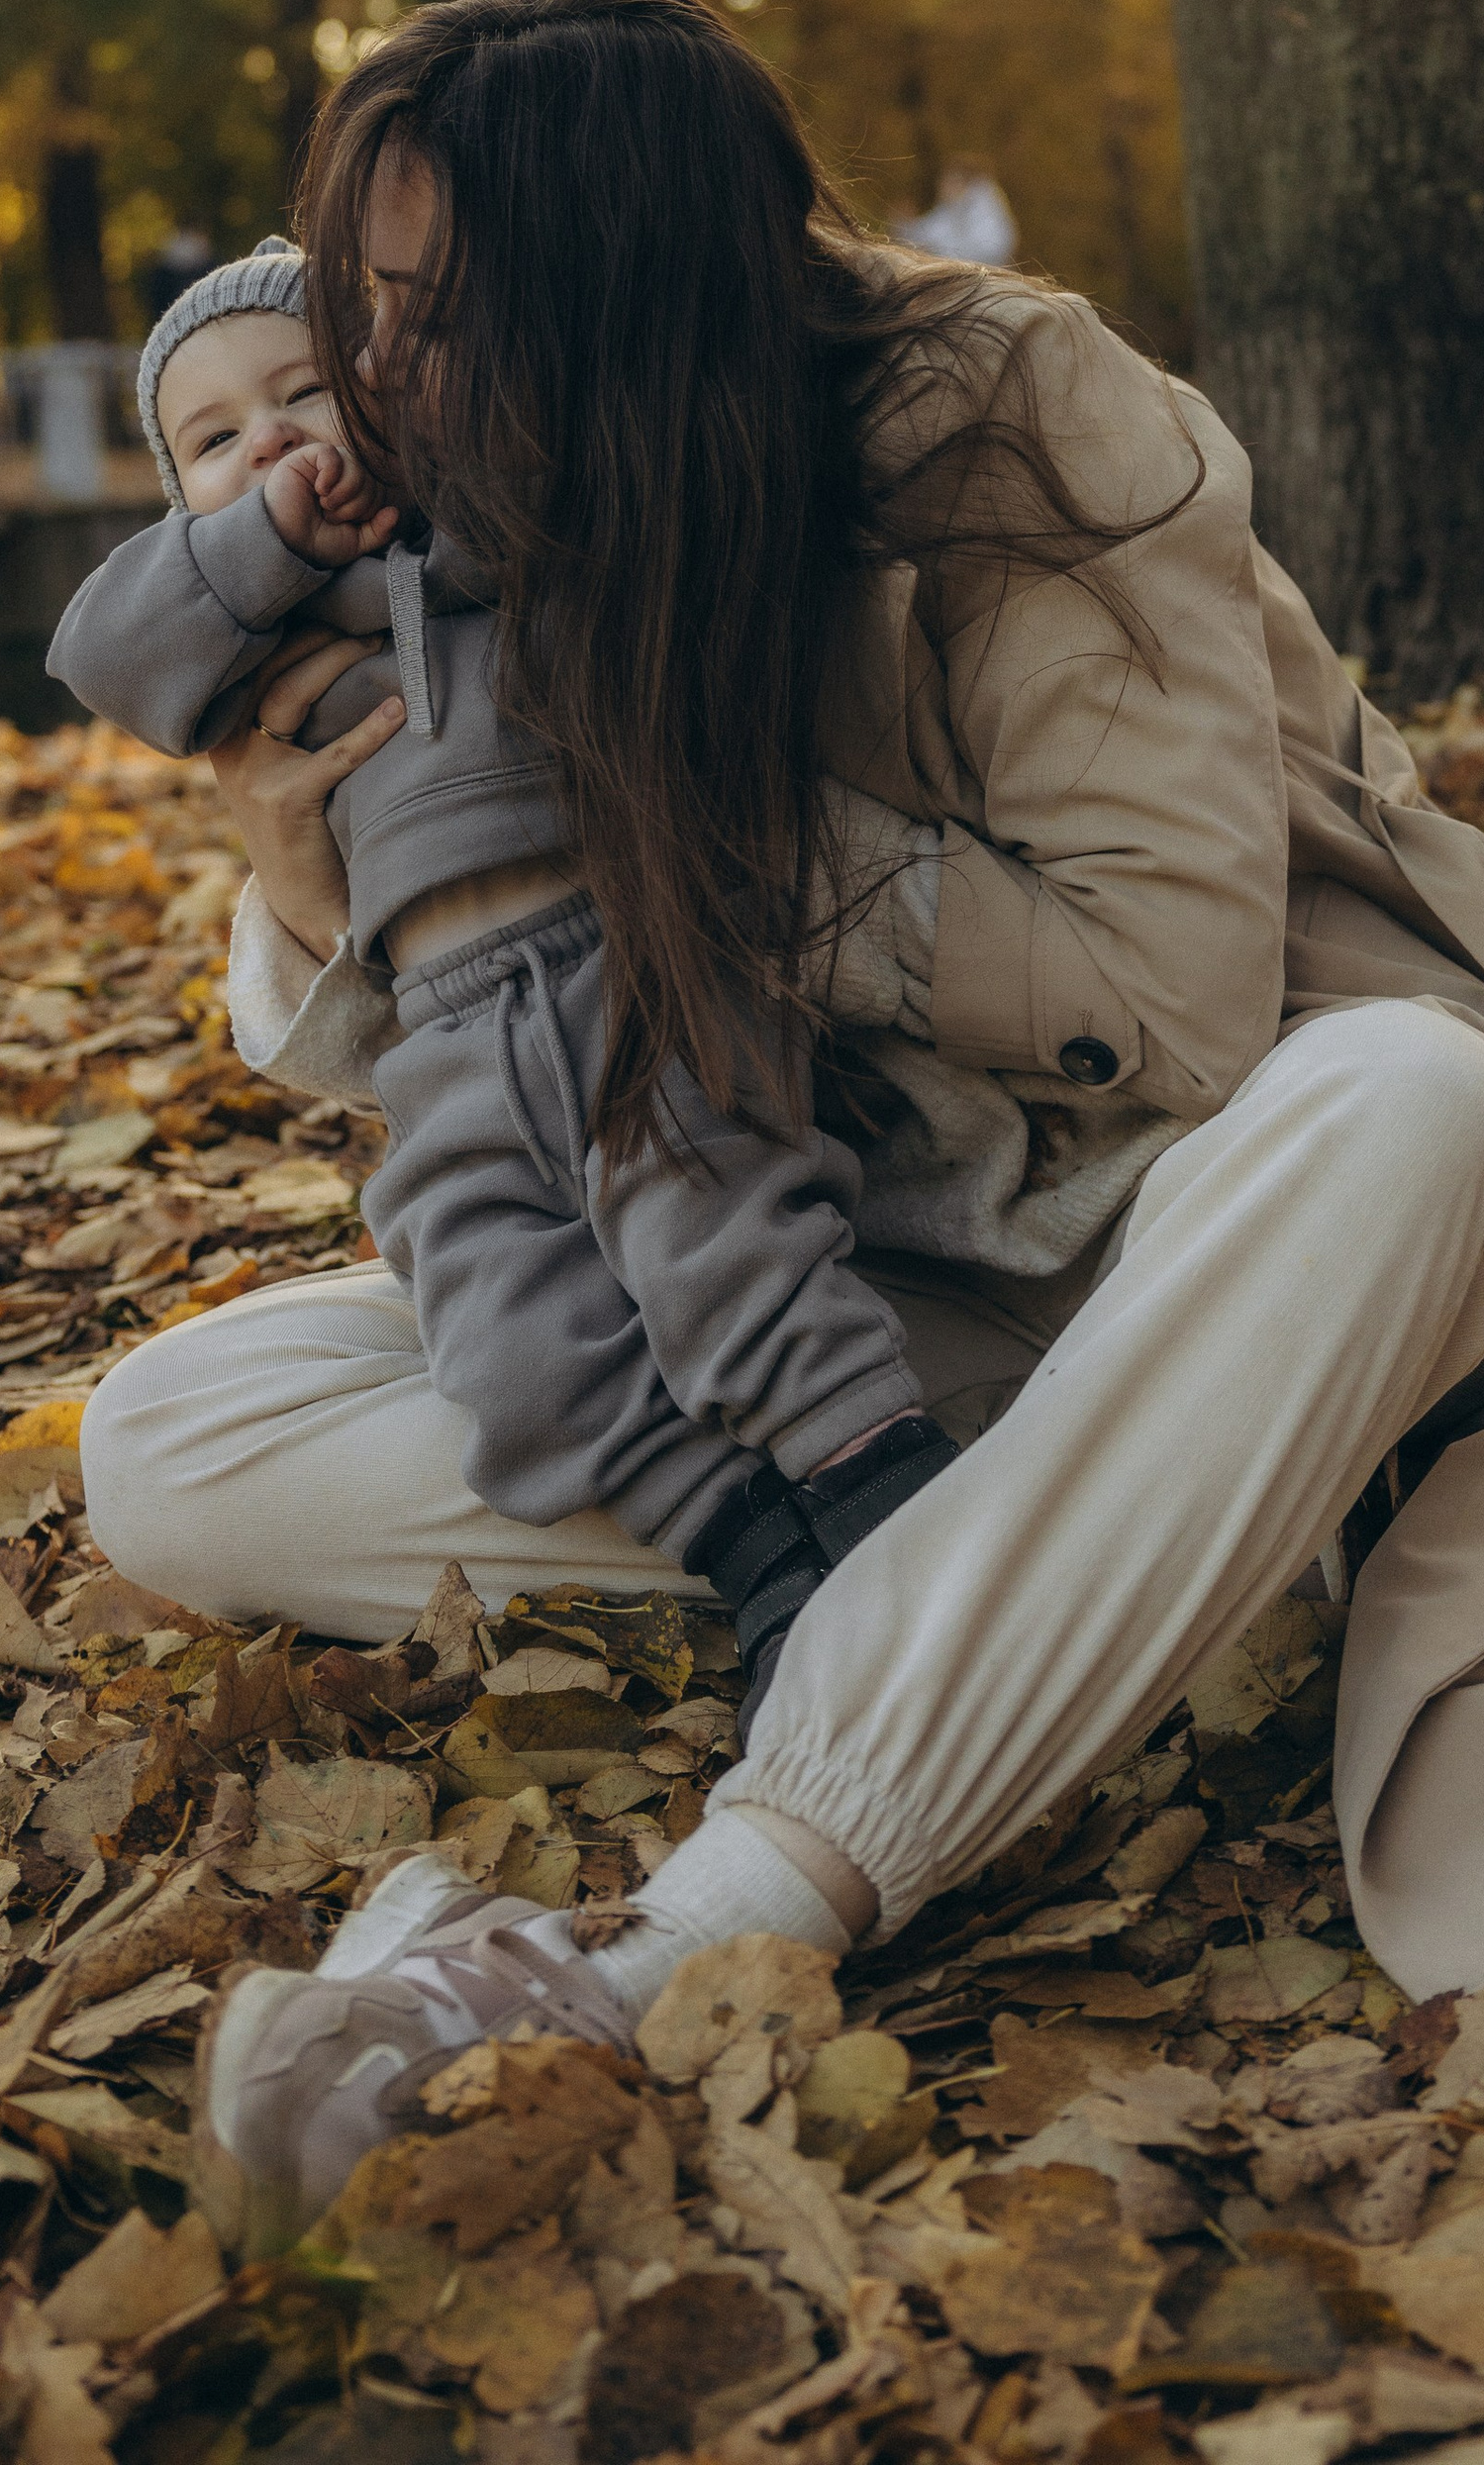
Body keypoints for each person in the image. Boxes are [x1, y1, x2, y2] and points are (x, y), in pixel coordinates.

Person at [75, 0, 1484, 2259]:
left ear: (603, 291)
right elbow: (484, 1031)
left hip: (1242, 1216)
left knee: (1419, 1103)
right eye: (364, 308)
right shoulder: (501, 497)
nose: (369, 379)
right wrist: (311, 889)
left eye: (425, 312)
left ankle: (682, 1934)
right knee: (179, 1429)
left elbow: (1164, 999)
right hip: (912, 1295)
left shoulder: (1013, 412)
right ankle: (1109, 1573)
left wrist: (691, 838)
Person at [48, 240, 959, 1728]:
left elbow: (565, 524)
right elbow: (102, 648)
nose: (270, 440)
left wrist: (420, 489)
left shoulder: (467, 546)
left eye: (304, 397)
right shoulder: (240, 639)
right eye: (215, 440)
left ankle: (883, 1487)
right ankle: (749, 1551)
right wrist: (263, 536)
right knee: (503, 1330)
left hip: (623, 965)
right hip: (448, 1041)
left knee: (718, 1237)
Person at [894, 157, 1019, 267]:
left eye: (949, 181)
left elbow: (993, 248)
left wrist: (940, 252)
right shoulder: (948, 209)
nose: (942, 187)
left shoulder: (985, 208)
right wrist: (904, 224)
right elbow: (926, 235)